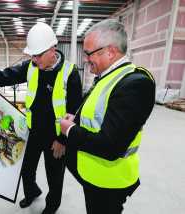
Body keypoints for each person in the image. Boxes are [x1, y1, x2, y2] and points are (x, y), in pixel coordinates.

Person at [0, 22, 82, 214]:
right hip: (33, 133)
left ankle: (52, 205)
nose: (34, 59)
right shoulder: (30, 67)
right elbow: (3, 76)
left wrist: (63, 140)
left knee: (54, 175)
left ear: (52, 49)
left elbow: (75, 111)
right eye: (32, 55)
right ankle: (31, 193)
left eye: (37, 55)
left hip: (55, 137)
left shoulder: (70, 73)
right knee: (26, 170)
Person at [60, 19, 155, 214]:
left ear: (110, 51)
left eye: (88, 53)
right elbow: (99, 114)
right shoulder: (109, 76)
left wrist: (69, 130)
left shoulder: (135, 84)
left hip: (109, 182)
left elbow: (111, 146)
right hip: (94, 175)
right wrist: (76, 119)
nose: (86, 59)